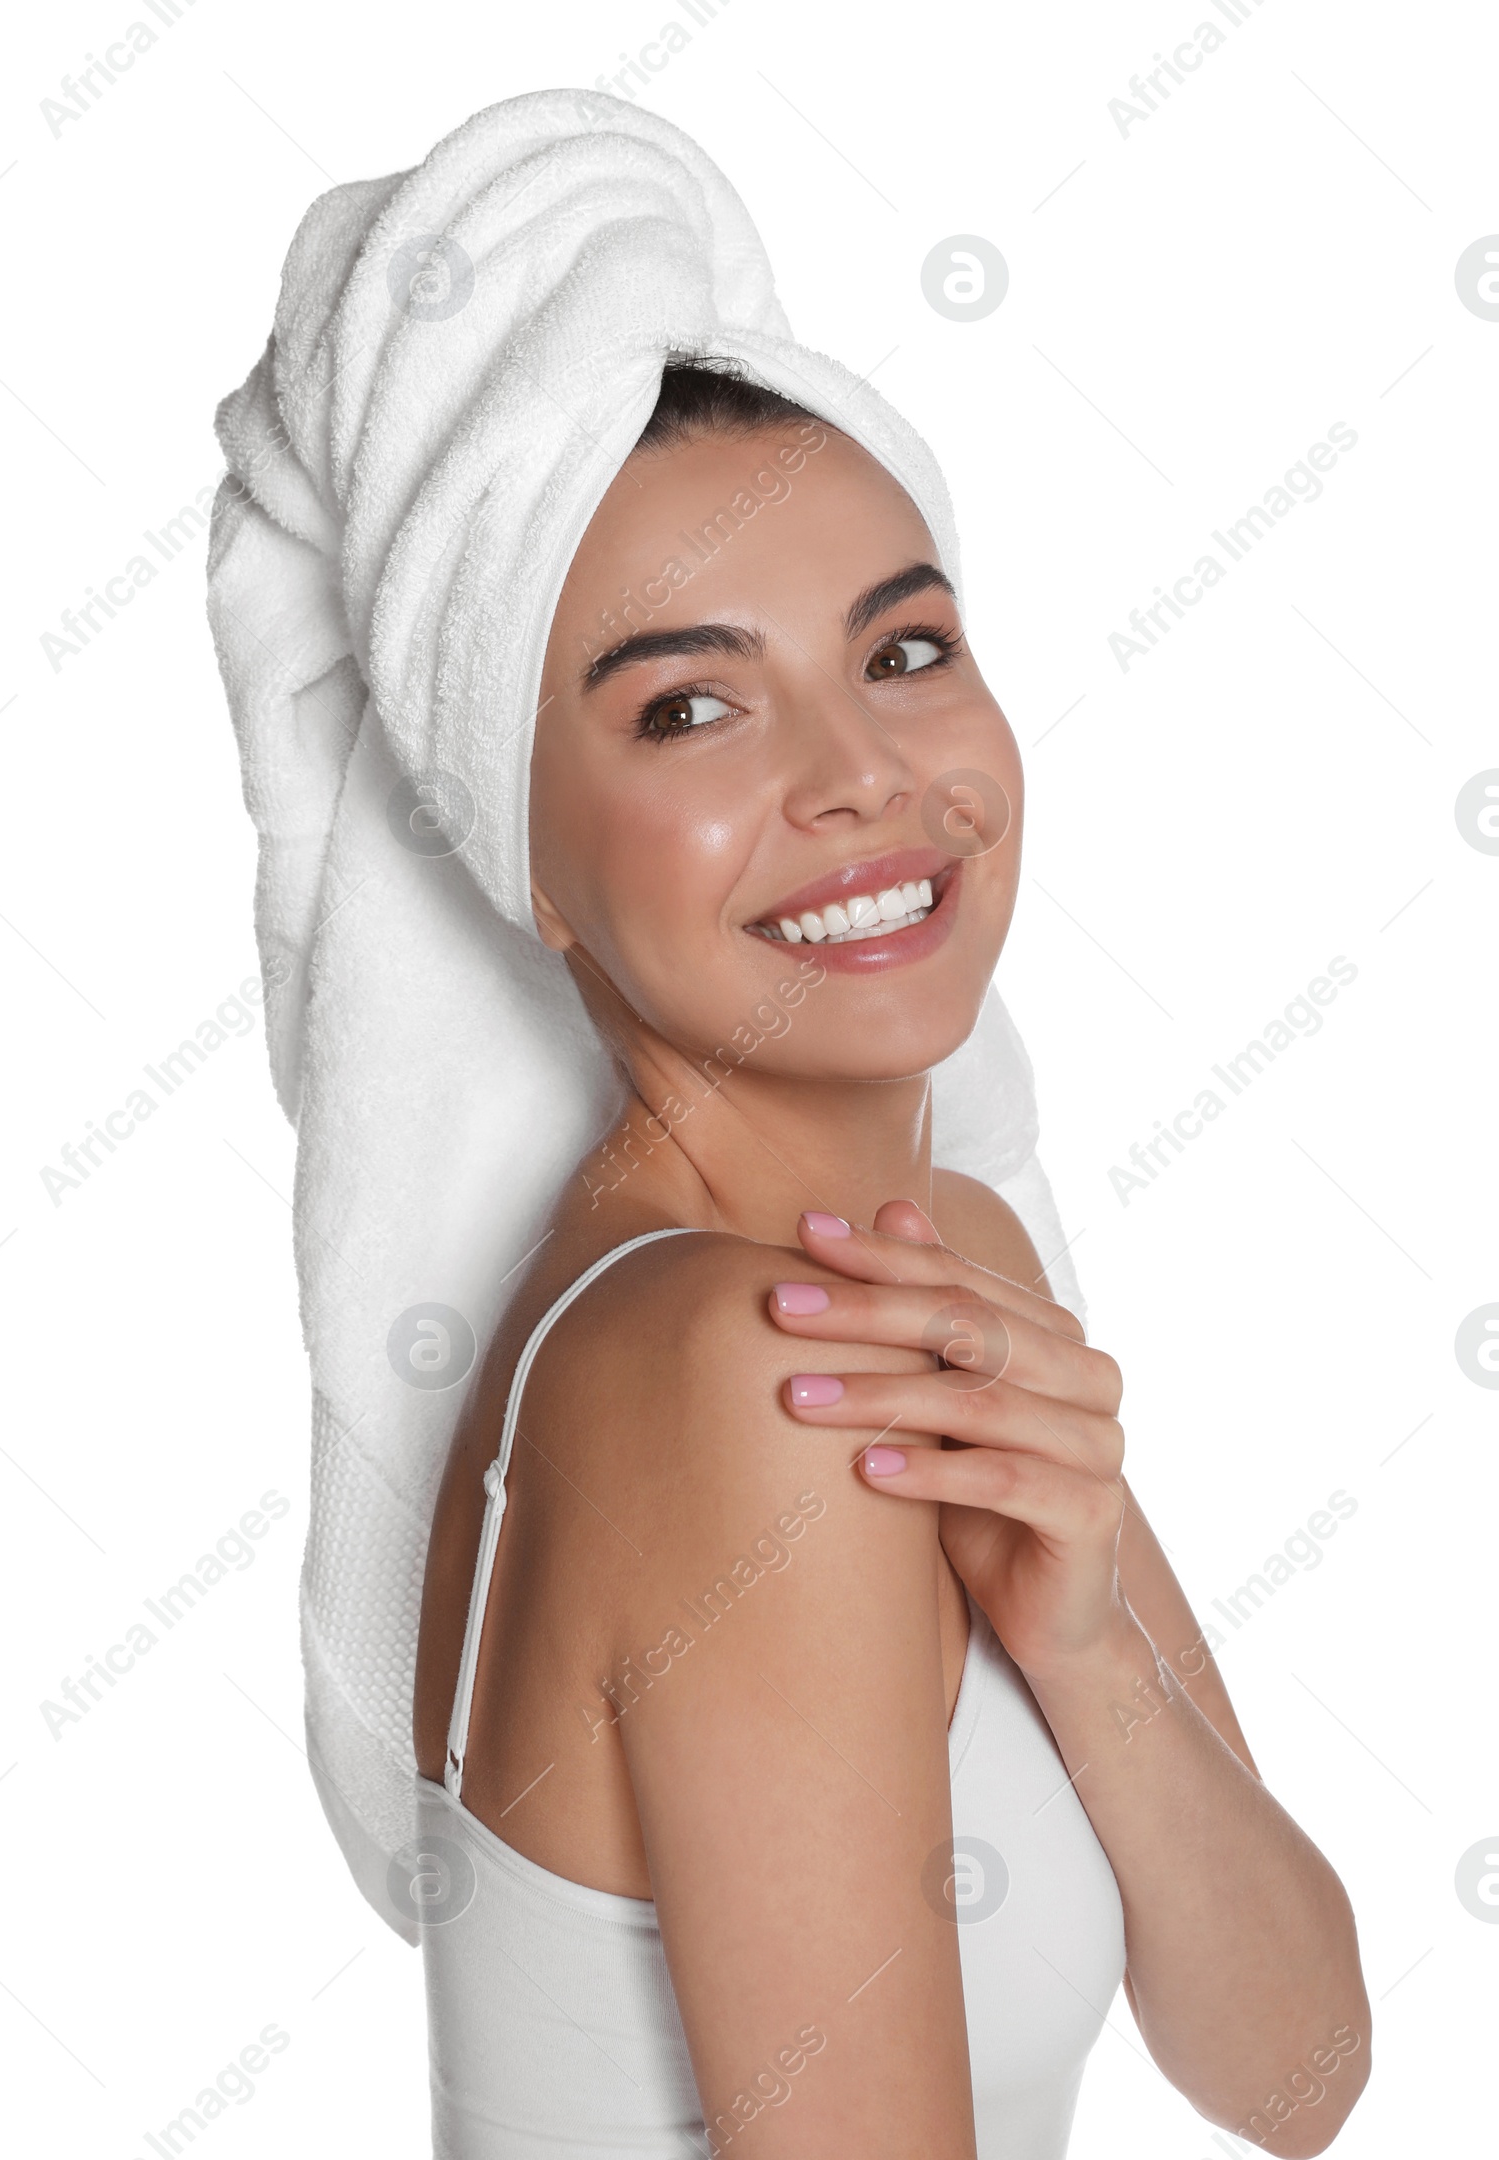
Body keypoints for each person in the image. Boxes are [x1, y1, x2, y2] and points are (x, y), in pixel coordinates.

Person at [410, 362, 1371, 2157]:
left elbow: (1298, 2074)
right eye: (691, 706)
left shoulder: (942, 1263)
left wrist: (1081, 1651)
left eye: (904, 652)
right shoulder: (745, 1367)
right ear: (526, 853)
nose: (860, 774)